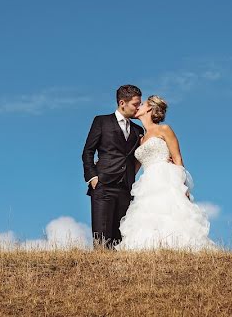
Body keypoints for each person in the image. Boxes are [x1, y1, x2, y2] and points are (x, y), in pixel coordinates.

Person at [115, 95, 216, 251]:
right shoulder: (140, 138)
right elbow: (134, 168)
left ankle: (178, 248)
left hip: (165, 176)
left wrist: (182, 185)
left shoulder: (164, 129)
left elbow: (177, 157)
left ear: (149, 108)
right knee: (148, 215)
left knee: (169, 212)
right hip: (147, 181)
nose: (137, 107)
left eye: (141, 104)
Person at [81, 84, 146, 249]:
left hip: (126, 188)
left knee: (119, 238)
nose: (138, 107)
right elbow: (88, 151)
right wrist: (93, 178)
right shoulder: (101, 121)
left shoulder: (138, 130)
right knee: (101, 237)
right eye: (135, 104)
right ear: (122, 102)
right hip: (103, 184)